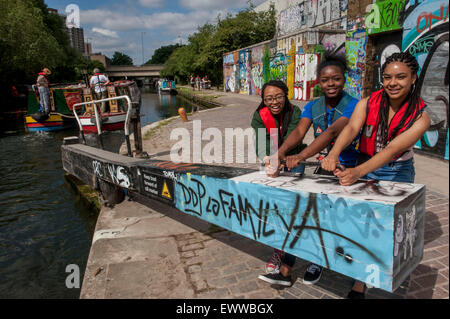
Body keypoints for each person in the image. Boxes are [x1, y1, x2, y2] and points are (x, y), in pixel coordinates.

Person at [321, 52, 430, 298]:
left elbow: (392, 149)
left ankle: (399, 272)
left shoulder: (421, 117)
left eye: (401, 77)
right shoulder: (368, 102)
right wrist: (334, 152)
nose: (393, 83)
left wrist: (357, 172)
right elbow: (351, 128)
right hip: (365, 164)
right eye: (388, 77)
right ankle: (360, 281)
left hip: (398, 171)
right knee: (363, 226)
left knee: (391, 228)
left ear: (413, 78)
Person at [258, 53, 360, 287]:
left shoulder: (354, 104)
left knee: (346, 223)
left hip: (352, 169)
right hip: (325, 170)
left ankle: (330, 267)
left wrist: (301, 156)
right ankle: (285, 271)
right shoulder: (313, 106)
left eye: (336, 79)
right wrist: (281, 153)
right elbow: (298, 132)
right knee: (304, 214)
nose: (331, 84)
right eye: (325, 80)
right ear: (319, 83)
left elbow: (333, 132)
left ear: (344, 80)